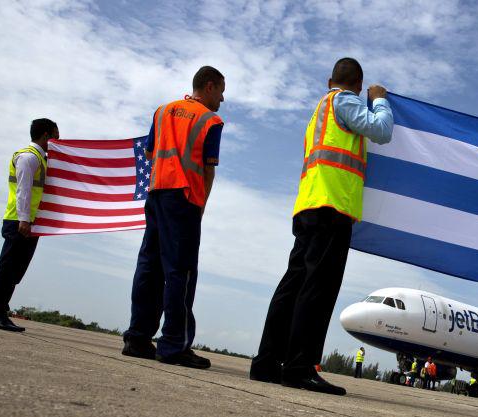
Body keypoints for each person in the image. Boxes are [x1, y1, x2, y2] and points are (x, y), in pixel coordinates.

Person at [249, 58, 393, 396]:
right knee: (319, 287)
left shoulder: (319, 110)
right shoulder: (344, 101)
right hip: (332, 206)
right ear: (358, 85)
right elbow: (382, 131)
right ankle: (299, 367)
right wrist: (380, 99)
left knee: (293, 284)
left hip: (309, 204)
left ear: (330, 79)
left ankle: (266, 361)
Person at [122, 66, 225, 369]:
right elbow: (208, 168)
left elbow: (149, 153)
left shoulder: (162, 111)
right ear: (208, 87)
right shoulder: (211, 120)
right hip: (185, 199)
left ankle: (137, 338)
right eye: (220, 91)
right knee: (180, 271)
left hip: (156, 192)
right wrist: (201, 205)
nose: (222, 98)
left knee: (149, 266)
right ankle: (173, 345)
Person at [0, 119, 60, 332]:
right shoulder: (29, 157)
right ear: (45, 136)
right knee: (7, 267)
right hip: (19, 221)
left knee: (16, 270)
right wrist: (24, 220)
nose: (57, 142)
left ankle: (0, 312)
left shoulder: (41, 159)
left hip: (30, 222)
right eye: (55, 137)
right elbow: (23, 190)